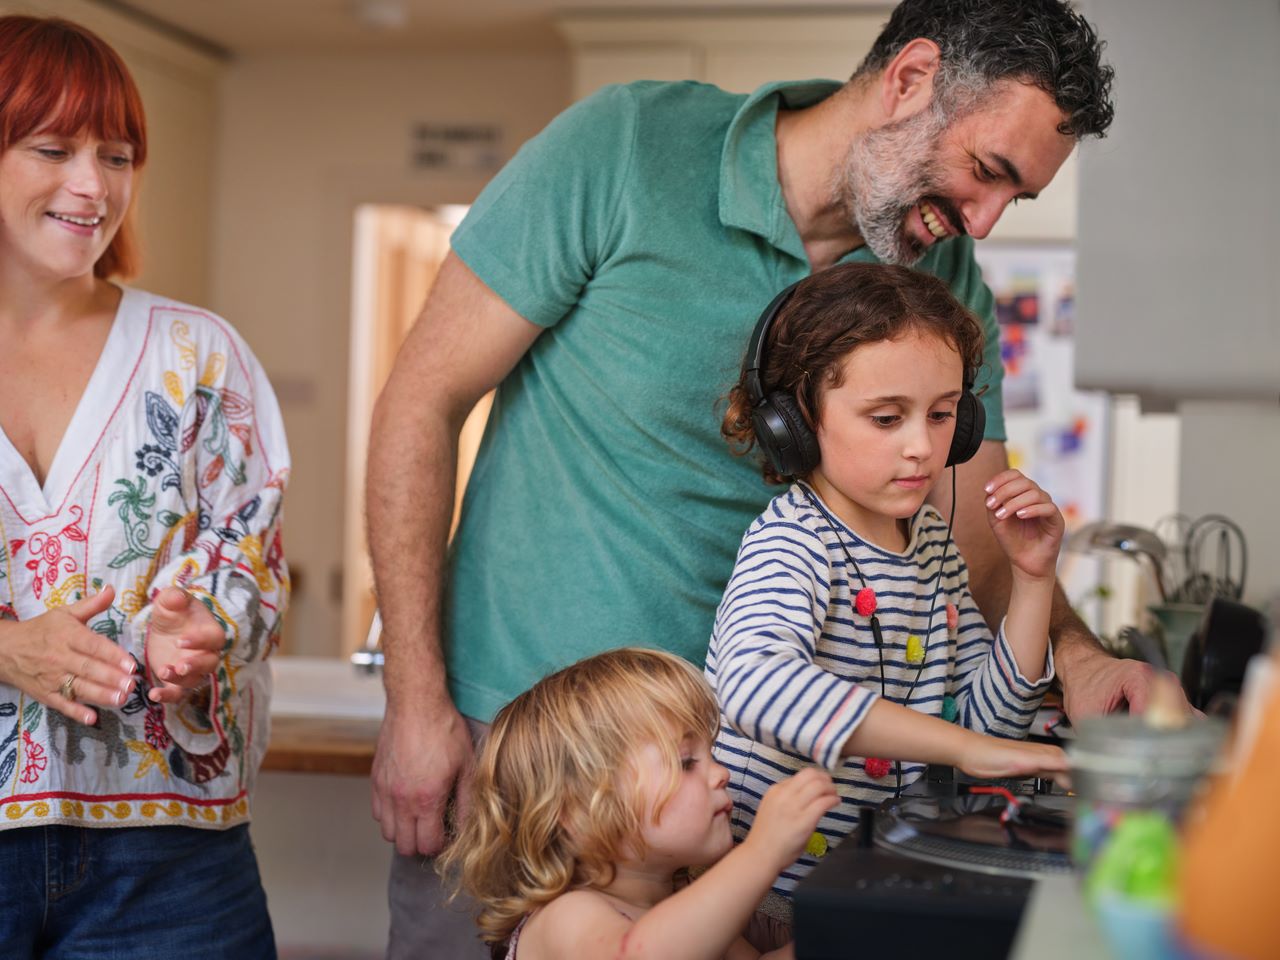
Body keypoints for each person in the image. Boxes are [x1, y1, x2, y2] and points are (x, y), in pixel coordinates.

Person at [366, 1, 1166, 954]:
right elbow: (421, 402)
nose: (984, 222)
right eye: (986, 172)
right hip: (533, 758)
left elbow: (985, 535)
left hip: (728, 800)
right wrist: (415, 703)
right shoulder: (624, 149)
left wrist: (1077, 659)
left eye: (1013, 200)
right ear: (909, 79)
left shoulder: (944, 279)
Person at [0, 16, 288, 957]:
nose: (94, 186)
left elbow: (250, 558)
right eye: (54, 148)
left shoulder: (197, 355)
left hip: (171, 864)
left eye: (116, 156)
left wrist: (205, 624)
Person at [707, 261, 1068, 946]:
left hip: (866, 883)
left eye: (942, 415)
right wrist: (968, 746)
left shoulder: (930, 543)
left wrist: (1032, 580)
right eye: (885, 417)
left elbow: (991, 724)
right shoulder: (794, 542)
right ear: (795, 423)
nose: (922, 447)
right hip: (770, 900)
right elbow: (754, 686)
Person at [438, 646, 838, 959]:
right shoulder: (566, 917)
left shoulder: (685, 902)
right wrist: (761, 852)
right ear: (577, 811)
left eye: (711, 754)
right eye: (686, 763)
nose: (721, 774)